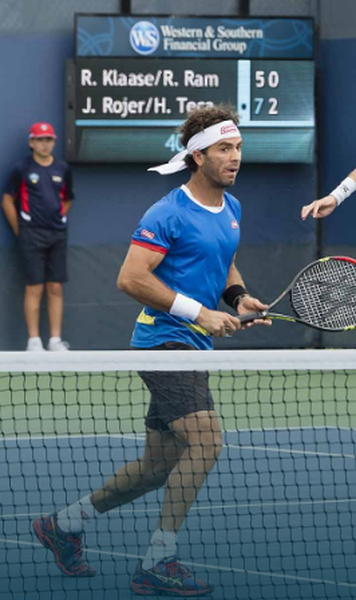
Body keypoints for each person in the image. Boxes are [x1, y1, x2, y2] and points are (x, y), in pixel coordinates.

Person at [32, 104, 270, 596]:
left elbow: (224, 261)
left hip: (193, 345)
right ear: (197, 156)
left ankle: (63, 525)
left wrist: (236, 298)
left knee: (156, 467)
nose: (235, 157)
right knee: (206, 441)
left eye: (238, 148)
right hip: (162, 342)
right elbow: (130, 278)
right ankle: (158, 561)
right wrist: (198, 313)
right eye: (224, 149)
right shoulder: (167, 212)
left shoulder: (232, 208)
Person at [2, 122, 74, 351]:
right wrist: (21, 229)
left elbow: (68, 198)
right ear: (32, 143)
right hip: (31, 235)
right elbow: (7, 200)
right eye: (40, 140)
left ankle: (54, 340)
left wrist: (59, 219)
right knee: (34, 287)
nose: (45, 144)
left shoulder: (62, 169)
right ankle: (34, 341)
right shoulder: (21, 168)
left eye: (49, 139)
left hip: (57, 234)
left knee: (55, 287)